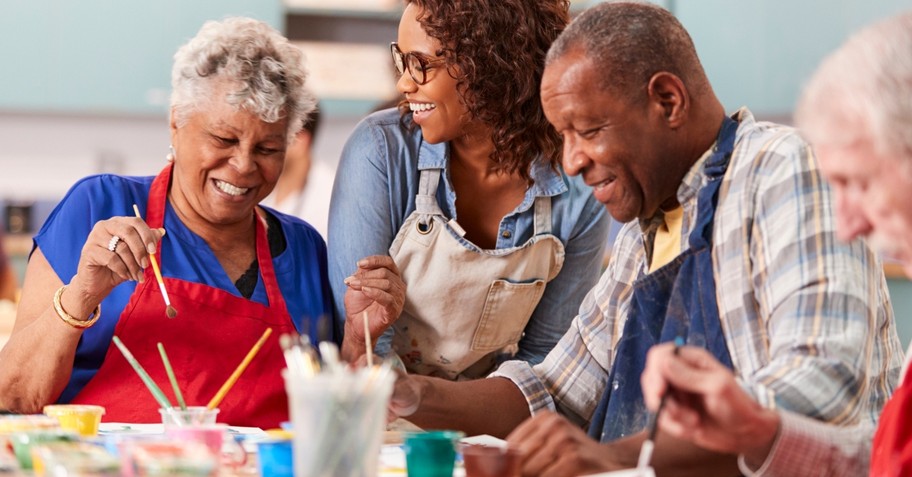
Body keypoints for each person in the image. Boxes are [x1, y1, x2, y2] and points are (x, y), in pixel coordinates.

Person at [385, 3, 902, 476]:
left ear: (667, 100)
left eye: (587, 130)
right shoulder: (644, 229)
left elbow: (823, 388)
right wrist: (406, 393)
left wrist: (614, 457)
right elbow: (557, 391)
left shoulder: (780, 169)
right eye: (562, 136)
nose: (570, 161)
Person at [0, 17, 399, 429]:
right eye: (224, 140)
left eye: (267, 147)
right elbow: (13, 397)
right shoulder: (97, 206)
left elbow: (337, 424)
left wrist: (358, 338)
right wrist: (81, 295)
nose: (244, 166)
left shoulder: (303, 248)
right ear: (176, 122)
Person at [640, 10, 912, 477]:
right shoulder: (641, 231)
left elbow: (830, 379)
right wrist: (758, 430)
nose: (848, 227)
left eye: (859, 182)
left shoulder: (781, 164)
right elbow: (884, 462)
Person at [329, 0, 610, 378]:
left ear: (490, 65)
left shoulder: (578, 183)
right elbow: (364, 350)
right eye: (403, 60)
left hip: (496, 424)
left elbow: (547, 363)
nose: (404, 83)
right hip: (383, 415)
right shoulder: (379, 152)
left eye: (422, 64)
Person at [261, 105, 334, 238]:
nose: (263, 146)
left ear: (300, 141)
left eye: (273, 137)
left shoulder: (331, 200)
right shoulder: (261, 181)